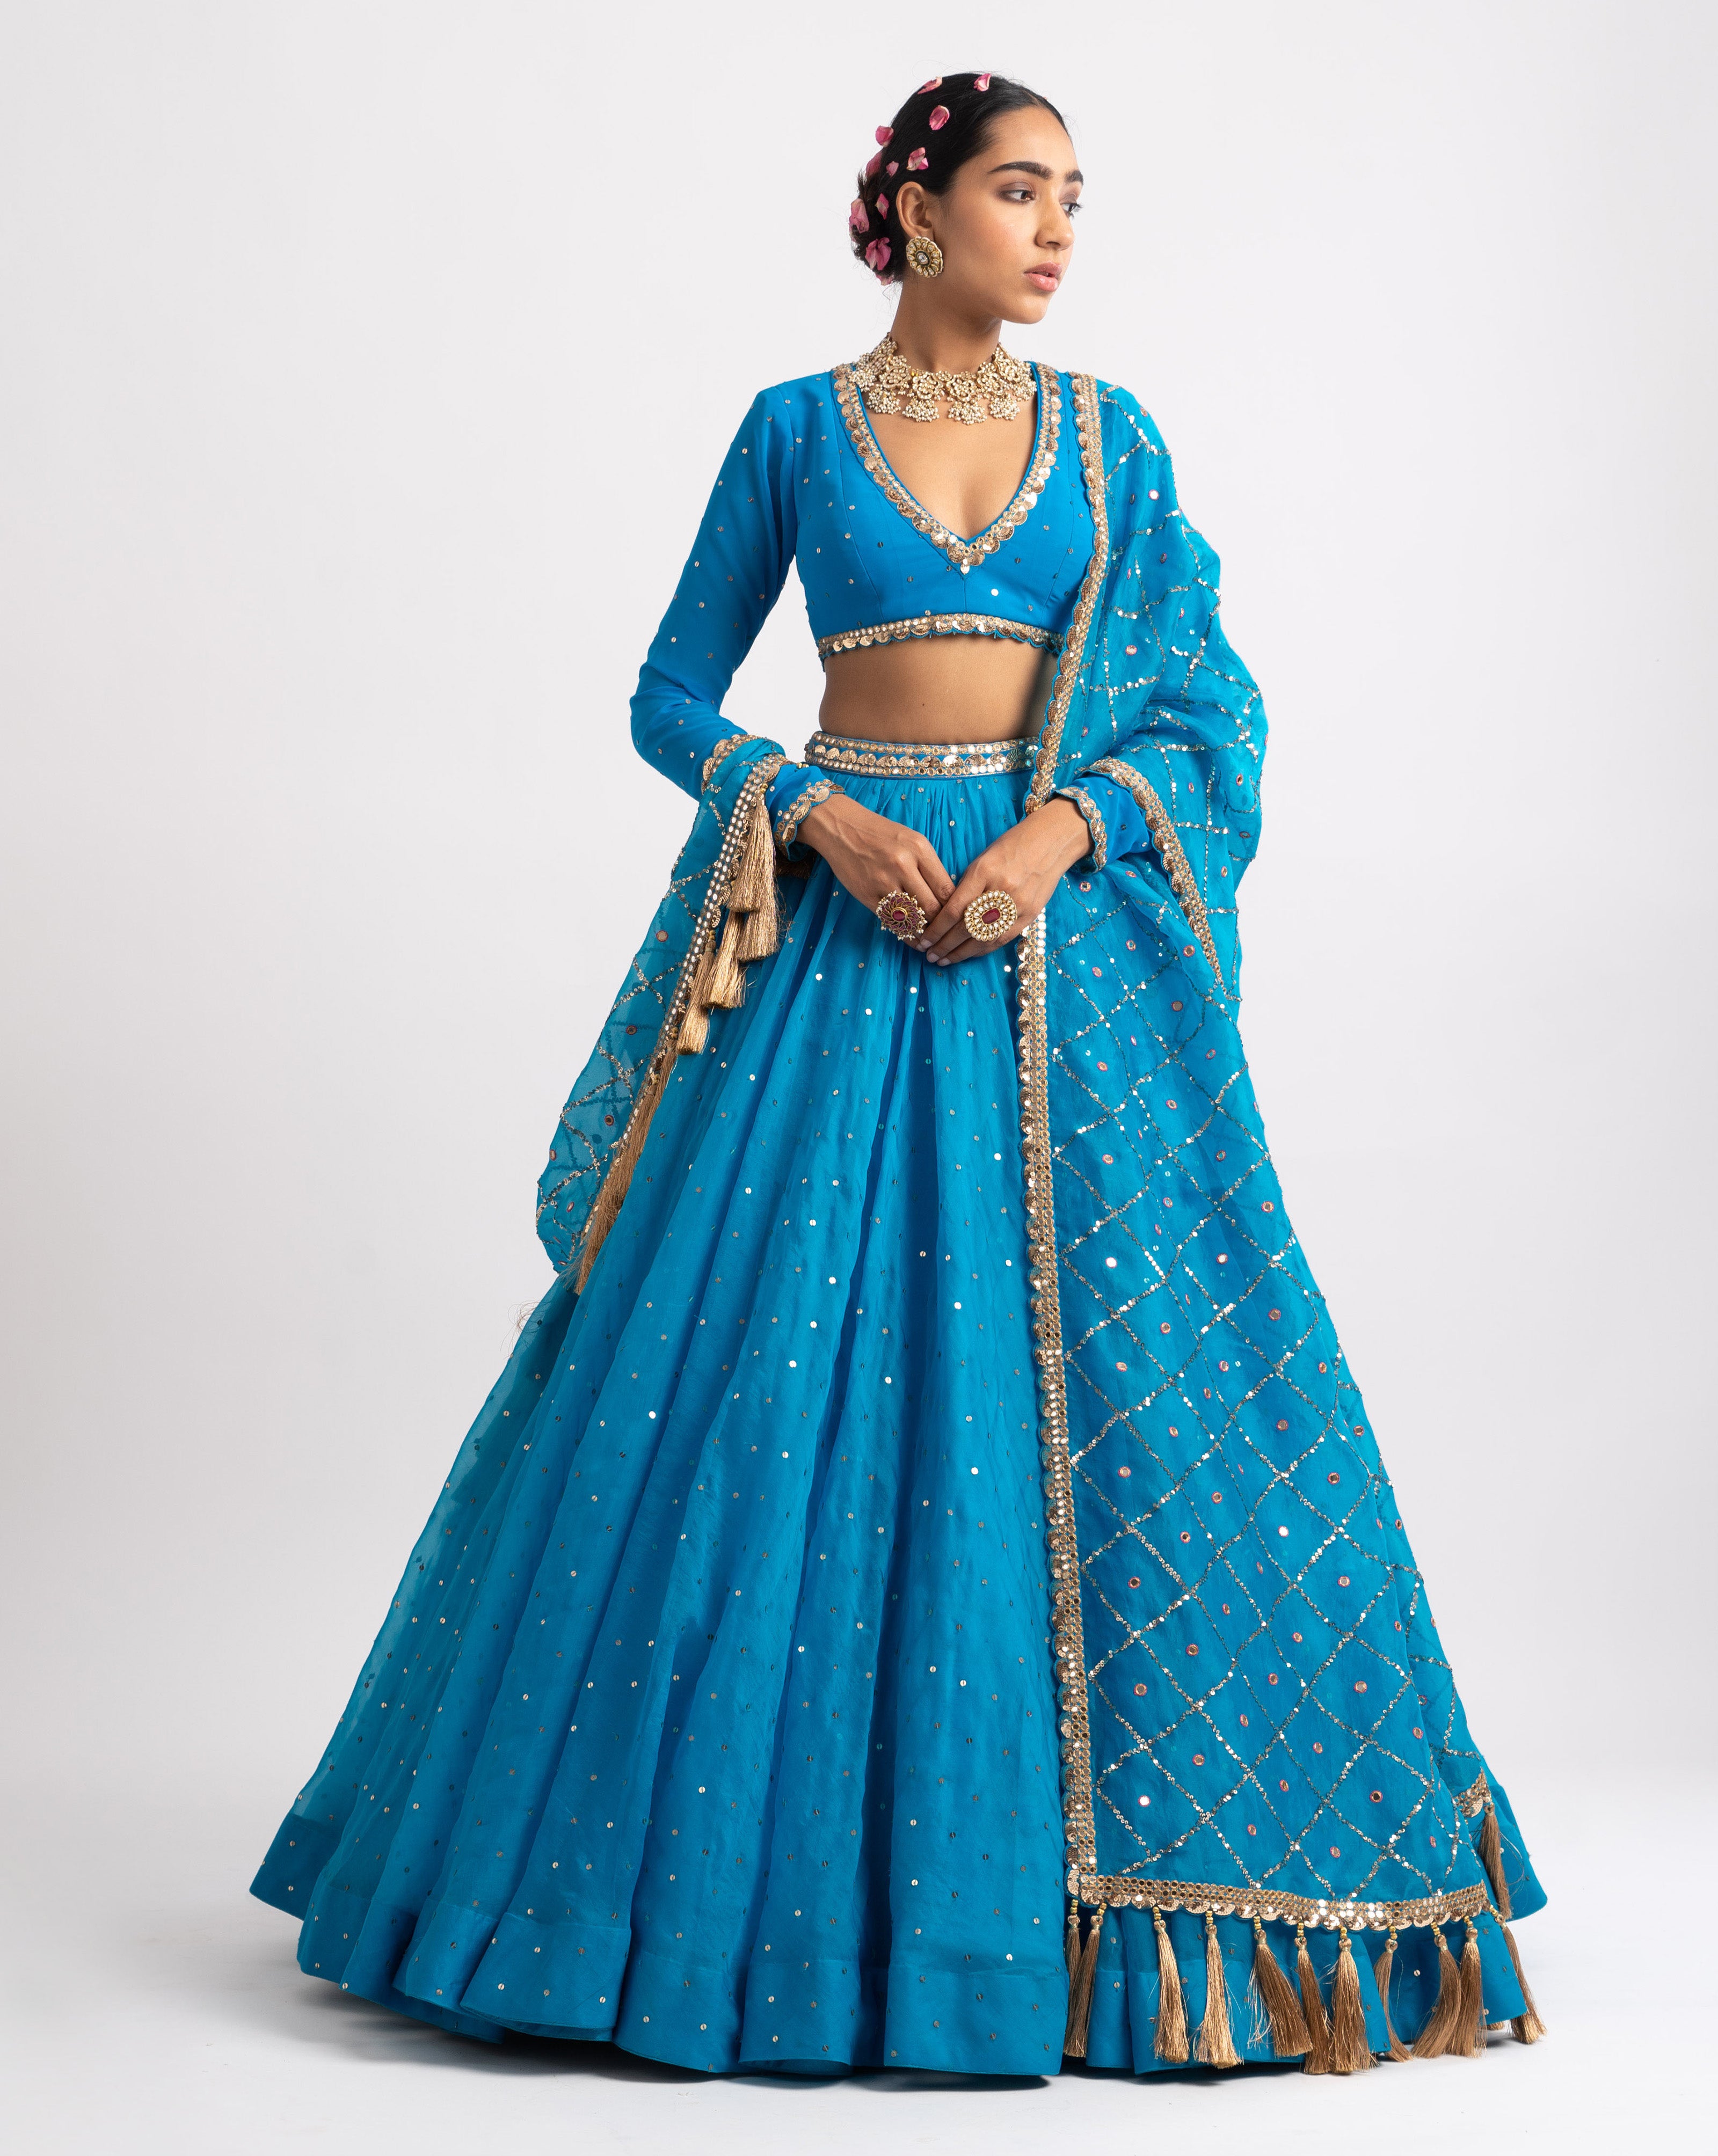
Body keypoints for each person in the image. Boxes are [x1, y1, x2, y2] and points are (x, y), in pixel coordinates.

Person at [252, 69, 1545, 2080]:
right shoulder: (795, 428)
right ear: (918, 207)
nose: (1058, 228)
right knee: (749, 1401)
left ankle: (1101, 1926)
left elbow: (1206, 709)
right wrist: (814, 809)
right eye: (1021, 189)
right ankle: (696, 1921)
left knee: (1144, 1393)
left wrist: (1062, 833)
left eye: (1075, 195)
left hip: (1049, 959)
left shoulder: (1112, 440)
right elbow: (669, 693)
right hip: (836, 942)